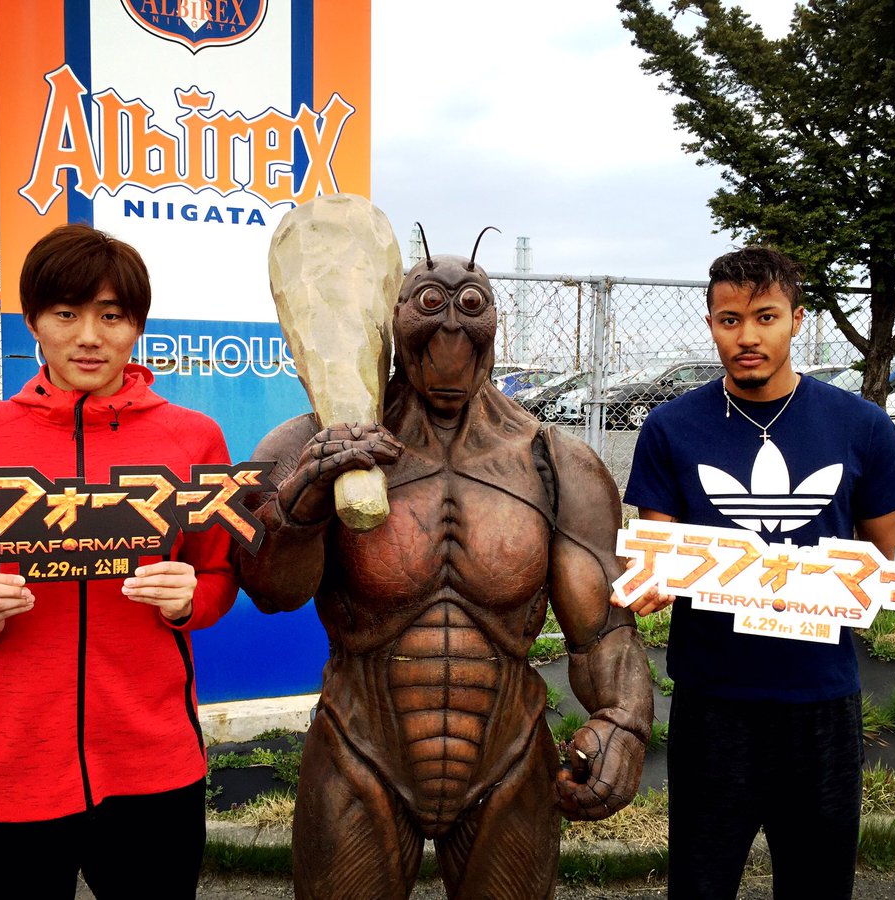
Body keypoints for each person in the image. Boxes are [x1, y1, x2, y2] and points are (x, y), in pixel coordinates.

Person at [233, 239, 653, 899]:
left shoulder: (555, 463)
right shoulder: (315, 443)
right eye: (430, 305)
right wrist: (302, 504)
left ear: (495, 325)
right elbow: (268, 589)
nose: (451, 328)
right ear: (394, 320)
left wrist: (624, 719)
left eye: (471, 307)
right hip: (360, 750)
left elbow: (602, 627)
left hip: (508, 756)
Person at [621, 246, 895, 899]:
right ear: (711, 324)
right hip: (712, 704)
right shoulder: (671, 428)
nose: (747, 337)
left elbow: (893, 558)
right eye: (730, 320)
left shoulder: (861, 426)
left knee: (817, 886)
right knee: (699, 885)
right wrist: (650, 579)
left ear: (797, 320)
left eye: (766, 317)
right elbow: (658, 550)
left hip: (821, 703)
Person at [0, 224, 236, 898]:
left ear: (137, 325)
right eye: (65, 314)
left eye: (111, 316)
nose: (89, 337)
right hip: (9, 769)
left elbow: (219, 575)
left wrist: (191, 600)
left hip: (154, 766)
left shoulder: (193, 439)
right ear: (32, 321)